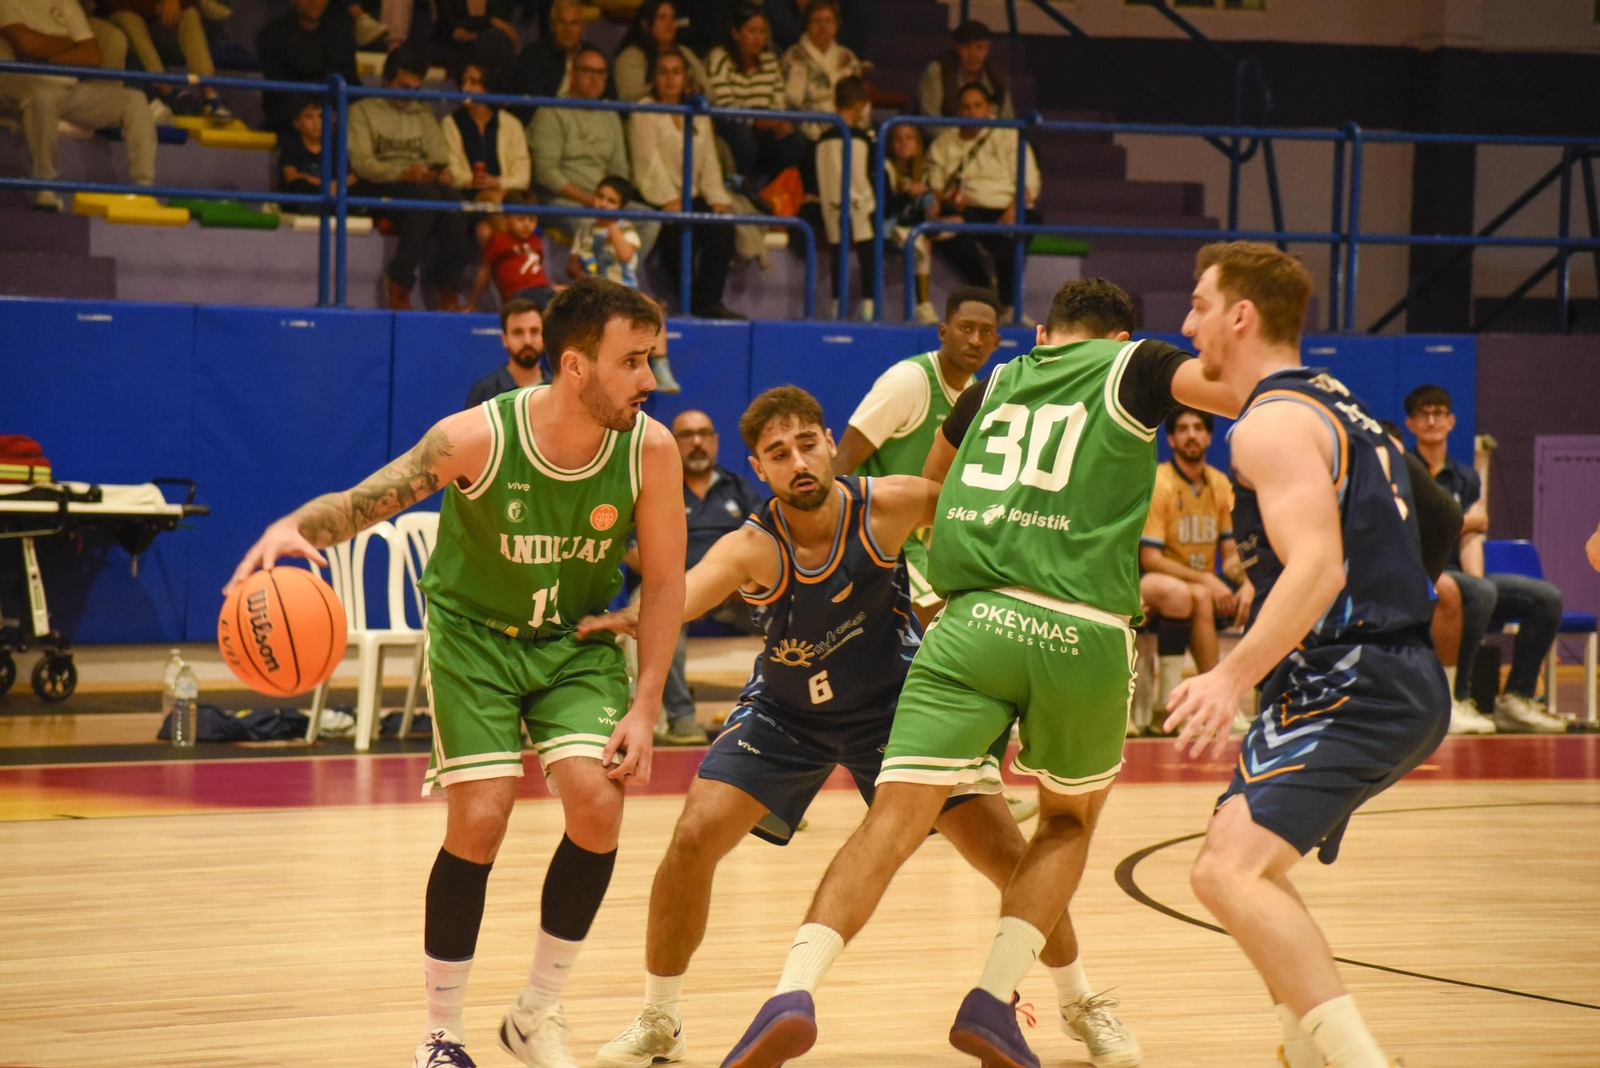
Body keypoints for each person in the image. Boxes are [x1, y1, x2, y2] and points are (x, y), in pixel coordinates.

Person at [721, 278, 1242, 1068]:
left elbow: (936, 485)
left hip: (970, 622)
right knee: (1064, 823)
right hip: (1080, 628)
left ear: (1040, 332)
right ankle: (992, 999)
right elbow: (1237, 388)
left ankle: (791, 991)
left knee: (890, 820)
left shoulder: (995, 381)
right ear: (1121, 333)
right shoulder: (1137, 366)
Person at [226, 279, 685, 1068]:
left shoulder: (652, 448)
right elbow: (369, 500)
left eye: (655, 359)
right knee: (481, 817)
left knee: (598, 804)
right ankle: (441, 1035)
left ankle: (537, 1012)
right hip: (474, 638)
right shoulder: (477, 436)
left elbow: (669, 583)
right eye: (634, 361)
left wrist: (646, 707)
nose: (651, 379)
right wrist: (291, 527)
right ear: (575, 367)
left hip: (571, 642)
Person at [585, 387, 1094, 1068]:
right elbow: (679, 594)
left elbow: (986, 533)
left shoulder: (891, 505)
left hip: (896, 711)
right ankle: (660, 1018)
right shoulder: (752, 546)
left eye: (805, 443)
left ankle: (1080, 1000)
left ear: (829, 442)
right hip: (786, 714)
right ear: (758, 468)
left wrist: (966, 611)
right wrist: (631, 617)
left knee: (1007, 857)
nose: (796, 461)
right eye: (777, 453)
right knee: (692, 839)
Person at [1162, 241, 1451, 1068]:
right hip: (1369, 666)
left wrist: (1229, 672)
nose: (1189, 322)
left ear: (1241, 316)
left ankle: (1356, 1061)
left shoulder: (1270, 426)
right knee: (1234, 852)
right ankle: (1303, 1044)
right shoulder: (1335, 404)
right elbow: (1421, 525)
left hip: (1357, 677)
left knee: (1226, 875)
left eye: (1200, 304)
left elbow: (1320, 566)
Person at [834, 286, 1000, 628]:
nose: (975, 340)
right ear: (943, 331)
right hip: (879, 525)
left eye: (985, 332)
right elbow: (841, 461)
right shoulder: (908, 382)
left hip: (930, 534)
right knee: (945, 621)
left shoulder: (976, 394)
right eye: (966, 328)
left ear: (997, 342)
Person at [1405, 383, 1567, 733]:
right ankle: (1457, 698)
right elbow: (1413, 527)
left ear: (1451, 421)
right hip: (1419, 572)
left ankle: (1516, 699)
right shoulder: (1404, 470)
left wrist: (1477, 578)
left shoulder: (1465, 477)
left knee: (1545, 597)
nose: (1432, 421)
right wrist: (1467, 522)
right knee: (1479, 592)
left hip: (1458, 572)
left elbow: (1471, 537)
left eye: (1439, 414)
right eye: (1424, 414)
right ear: (1411, 423)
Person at [620, 408, 763, 745]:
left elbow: (766, 537)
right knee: (652, 608)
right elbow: (629, 548)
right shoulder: (656, 485)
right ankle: (681, 719)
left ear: (715, 442)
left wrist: (739, 577)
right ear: (673, 442)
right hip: (677, 588)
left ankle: (784, 715)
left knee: (795, 600)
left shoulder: (737, 488)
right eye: (687, 435)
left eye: (704, 434)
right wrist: (675, 580)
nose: (697, 442)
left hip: (739, 592)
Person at [1136, 407, 1252, 729]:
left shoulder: (1219, 483)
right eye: (1183, 429)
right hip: (1151, 582)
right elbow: (1150, 560)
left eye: (1198, 428)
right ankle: (1213, 696)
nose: (1191, 434)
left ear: (1209, 436)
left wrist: (1246, 583)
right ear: (1171, 439)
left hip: (1198, 586)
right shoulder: (1160, 481)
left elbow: (1229, 554)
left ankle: (1249, 699)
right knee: (1197, 595)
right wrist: (1207, 580)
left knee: (1257, 594)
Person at [0, 0, 157, 213]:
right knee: (42, 97)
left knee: (135, 100)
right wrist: (69, 43)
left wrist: (44, 56)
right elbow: (24, 44)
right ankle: (46, 186)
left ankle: (144, 189)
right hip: (18, 81)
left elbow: (92, 55)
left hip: (67, 88)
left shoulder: (66, 3)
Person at [350, 47, 473, 312]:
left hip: (421, 181)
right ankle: (399, 281)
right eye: (404, 86)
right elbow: (363, 164)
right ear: (387, 81)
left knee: (453, 201)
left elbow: (440, 153)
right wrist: (402, 173)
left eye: (415, 88)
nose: (410, 95)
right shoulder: (362, 111)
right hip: (379, 184)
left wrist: (437, 171)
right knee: (427, 197)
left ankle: (447, 286)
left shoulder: (422, 112)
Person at [629, 46, 741, 319]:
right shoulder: (644, 111)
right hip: (658, 195)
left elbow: (709, 162)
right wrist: (668, 199)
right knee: (677, 235)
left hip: (692, 195)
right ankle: (691, 304)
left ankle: (709, 302)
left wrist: (717, 198)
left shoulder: (696, 110)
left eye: (676, 72)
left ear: (685, 77)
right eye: (663, 72)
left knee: (723, 229)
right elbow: (647, 163)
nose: (670, 78)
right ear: (654, 77)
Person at [527, 45, 659, 256]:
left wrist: (611, 202)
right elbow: (546, 173)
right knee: (591, 224)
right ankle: (599, 286)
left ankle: (619, 283)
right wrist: (590, 201)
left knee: (649, 220)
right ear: (572, 75)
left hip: (603, 200)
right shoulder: (550, 112)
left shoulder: (610, 114)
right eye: (588, 71)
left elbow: (620, 170)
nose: (595, 78)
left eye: (601, 73)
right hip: (562, 200)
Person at [926, 81, 1041, 321]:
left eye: (978, 106)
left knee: (1013, 237)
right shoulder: (944, 143)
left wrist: (1012, 210)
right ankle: (988, 292)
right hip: (967, 211)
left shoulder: (1010, 137)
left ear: (989, 109)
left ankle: (1010, 308)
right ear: (958, 111)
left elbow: (1030, 185)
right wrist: (948, 198)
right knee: (944, 232)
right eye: (966, 107)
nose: (972, 112)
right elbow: (934, 186)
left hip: (1007, 207)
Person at [704, 4, 808, 194]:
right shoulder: (719, 57)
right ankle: (740, 187)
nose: (758, 37)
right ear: (736, 33)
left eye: (762, 31)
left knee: (796, 139)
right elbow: (724, 105)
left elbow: (777, 101)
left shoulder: (770, 60)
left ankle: (773, 192)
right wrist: (757, 120)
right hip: (732, 124)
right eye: (751, 31)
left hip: (766, 124)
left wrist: (777, 122)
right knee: (744, 138)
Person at [99, 0, 230, 118]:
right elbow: (113, 5)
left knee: (189, 14)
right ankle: (165, 90)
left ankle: (208, 93)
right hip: (124, 16)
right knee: (128, 19)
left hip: (161, 21)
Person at [814, 74, 875, 321]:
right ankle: (869, 304)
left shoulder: (821, 139)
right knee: (864, 246)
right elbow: (863, 176)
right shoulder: (861, 139)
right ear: (860, 105)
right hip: (856, 202)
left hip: (833, 203)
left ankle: (837, 303)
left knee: (840, 247)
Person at [256, 0, 359, 138]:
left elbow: (352, 83)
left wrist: (336, 114)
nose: (314, 1)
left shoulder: (342, 35)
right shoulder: (273, 34)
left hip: (335, 120)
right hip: (290, 122)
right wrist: (311, 116)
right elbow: (276, 94)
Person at [444, 62, 532, 213]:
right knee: (497, 203)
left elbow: (522, 176)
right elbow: (453, 171)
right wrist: (474, 181)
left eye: (474, 83)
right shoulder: (450, 122)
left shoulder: (511, 124)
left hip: (507, 194)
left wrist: (497, 182)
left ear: (488, 87)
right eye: (464, 82)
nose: (465, 89)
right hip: (468, 195)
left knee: (489, 226)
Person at [884, 122, 944, 324]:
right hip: (889, 226)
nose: (903, 144)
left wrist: (931, 206)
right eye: (898, 139)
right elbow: (884, 207)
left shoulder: (924, 172)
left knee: (927, 239)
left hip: (914, 227)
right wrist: (906, 194)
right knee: (917, 243)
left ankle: (923, 305)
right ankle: (923, 304)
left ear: (917, 143)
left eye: (909, 138)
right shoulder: (885, 168)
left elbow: (925, 210)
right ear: (891, 144)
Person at [780, 0, 859, 142]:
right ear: (807, 24)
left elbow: (859, 100)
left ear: (837, 25)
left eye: (828, 21)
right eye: (817, 20)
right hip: (807, 132)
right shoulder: (792, 57)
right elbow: (791, 103)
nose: (823, 26)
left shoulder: (848, 59)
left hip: (845, 129)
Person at [918, 19, 1013, 137]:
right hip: (946, 143)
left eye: (980, 47)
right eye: (967, 47)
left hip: (988, 145)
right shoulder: (938, 71)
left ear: (988, 49)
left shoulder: (997, 75)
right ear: (957, 48)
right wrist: (961, 141)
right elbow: (929, 120)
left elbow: (1007, 120)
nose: (973, 54)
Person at [467, 191, 557, 312]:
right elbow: (484, 272)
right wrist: (472, 304)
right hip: (519, 294)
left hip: (543, 290)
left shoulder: (536, 241)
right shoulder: (498, 239)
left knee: (568, 300)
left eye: (531, 219)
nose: (526, 224)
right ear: (506, 218)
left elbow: (538, 275)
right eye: (520, 219)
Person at [510, 0, 597, 119]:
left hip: (587, 120)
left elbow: (609, 99)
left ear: (583, 27)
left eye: (574, 23)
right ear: (552, 26)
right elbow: (530, 107)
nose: (568, 30)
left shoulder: (593, 55)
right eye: (562, 22)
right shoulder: (534, 54)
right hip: (548, 121)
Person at [613, 0, 706, 103]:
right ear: (645, 24)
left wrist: (697, 90)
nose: (669, 24)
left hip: (685, 116)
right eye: (662, 18)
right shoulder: (631, 56)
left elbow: (711, 95)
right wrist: (663, 88)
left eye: (672, 18)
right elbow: (628, 99)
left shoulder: (685, 53)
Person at [464, 297, 546, 408]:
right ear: (504, 339)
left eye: (534, 331)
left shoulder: (559, 388)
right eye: (518, 332)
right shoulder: (485, 391)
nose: (528, 341)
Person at [570, 175, 643, 289]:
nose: (603, 204)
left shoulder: (626, 228)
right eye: (600, 197)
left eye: (611, 201)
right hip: (592, 290)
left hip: (622, 290)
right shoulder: (584, 230)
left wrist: (611, 225)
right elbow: (572, 266)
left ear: (622, 208)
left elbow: (625, 256)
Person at [276, 95, 349, 200]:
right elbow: (291, 176)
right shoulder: (291, 145)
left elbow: (352, 176)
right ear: (297, 123)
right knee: (300, 186)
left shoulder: (336, 145)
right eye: (309, 117)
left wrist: (337, 185)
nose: (316, 123)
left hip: (333, 193)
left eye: (321, 116)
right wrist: (322, 184)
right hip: (304, 196)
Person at [430, 0, 518, 88]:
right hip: (454, 47)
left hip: (488, 46)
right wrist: (490, 21)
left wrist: (479, 33)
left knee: (497, 40)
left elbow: (504, 24)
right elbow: (448, 24)